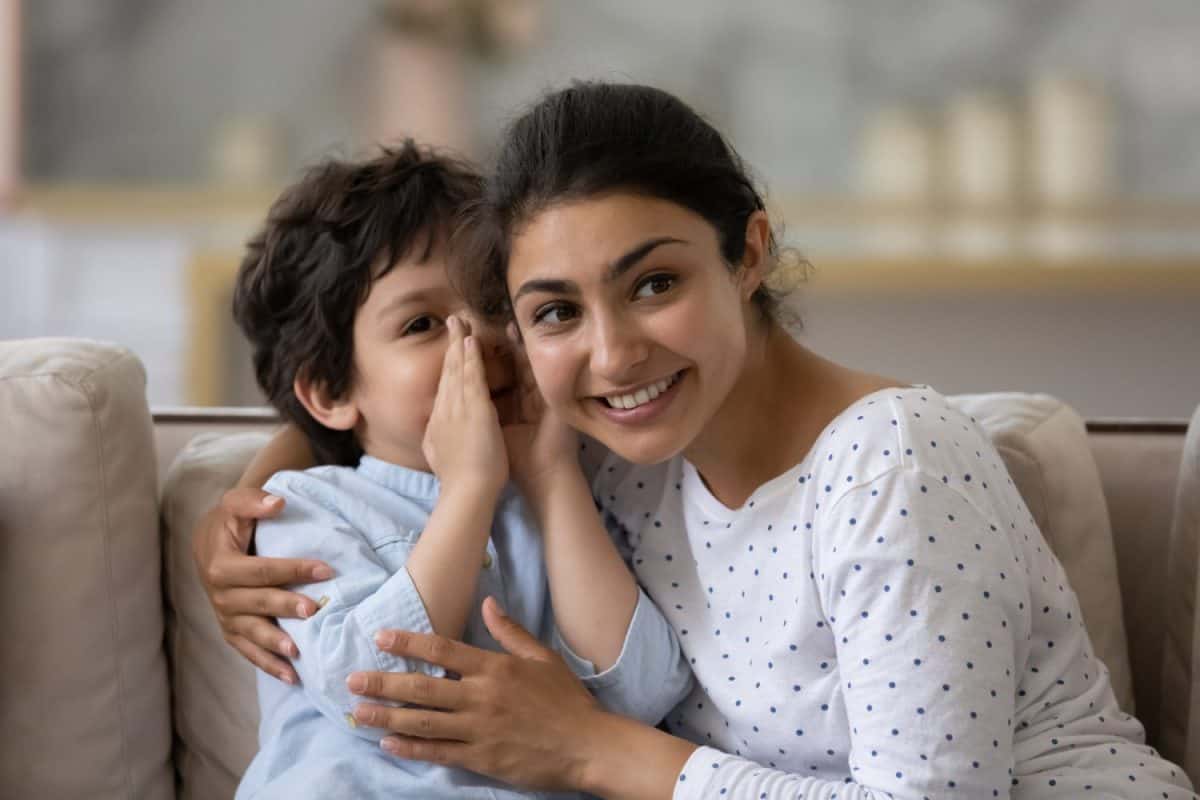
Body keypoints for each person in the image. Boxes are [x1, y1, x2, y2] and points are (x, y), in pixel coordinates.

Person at [194, 84, 1197, 799]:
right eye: (552, 312)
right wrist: (259, 487)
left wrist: (594, 751)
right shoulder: (623, 459)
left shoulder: (897, 464)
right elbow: (410, 447)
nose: (612, 353)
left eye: (655, 283)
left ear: (748, 251)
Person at [223, 141, 692, 799]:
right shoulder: (306, 507)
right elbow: (367, 687)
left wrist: (553, 478)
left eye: (492, 302)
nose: (476, 336)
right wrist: (469, 489)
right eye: (421, 323)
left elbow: (642, 695)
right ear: (330, 393)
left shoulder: (571, 487)